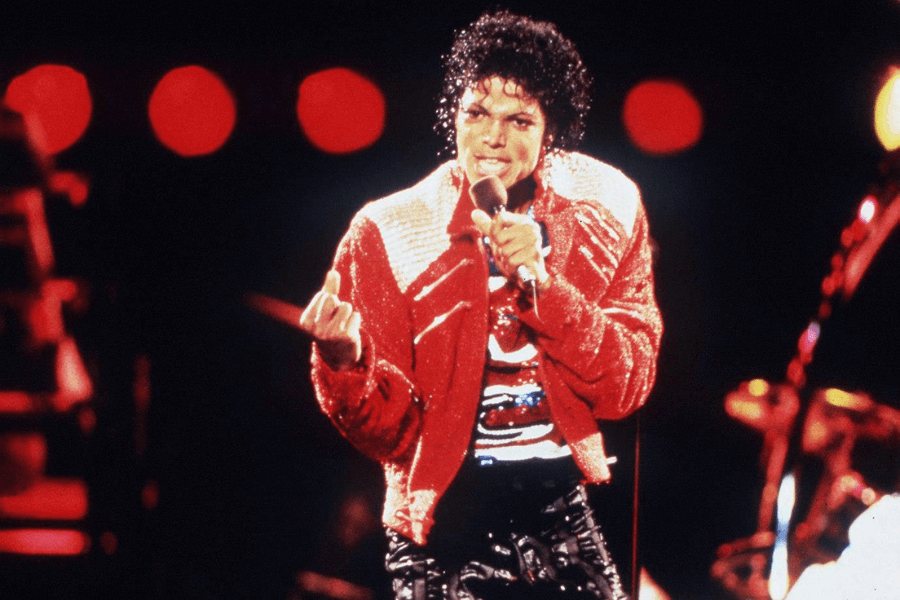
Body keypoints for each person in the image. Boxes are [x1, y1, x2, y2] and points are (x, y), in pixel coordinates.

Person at [299, 9, 662, 600]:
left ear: (551, 132)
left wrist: (546, 287)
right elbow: (389, 434)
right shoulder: (389, 230)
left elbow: (627, 385)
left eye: (520, 119)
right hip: (443, 517)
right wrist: (344, 359)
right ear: (455, 118)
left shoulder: (606, 210)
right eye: (476, 113)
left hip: (560, 507)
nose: (493, 137)